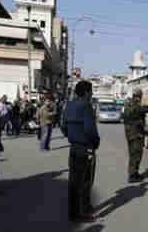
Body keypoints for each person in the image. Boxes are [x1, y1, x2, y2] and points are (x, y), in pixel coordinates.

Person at [61, 80, 101, 222]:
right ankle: (83, 212)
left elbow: (63, 126)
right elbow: (90, 129)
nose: (92, 94)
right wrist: (95, 142)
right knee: (85, 181)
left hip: (73, 147)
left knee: (73, 181)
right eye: (91, 91)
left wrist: (71, 136)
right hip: (86, 148)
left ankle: (73, 211)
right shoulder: (86, 106)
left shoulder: (69, 104)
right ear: (86, 93)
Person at [123, 88, 148, 183]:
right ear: (139, 96)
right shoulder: (136, 106)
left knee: (132, 154)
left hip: (129, 133)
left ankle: (133, 173)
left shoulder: (128, 104)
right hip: (136, 134)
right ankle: (133, 175)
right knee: (136, 154)